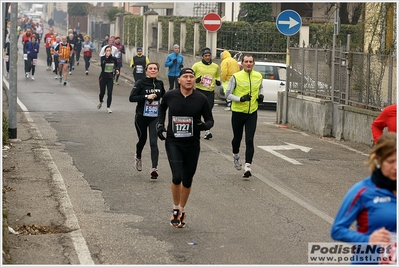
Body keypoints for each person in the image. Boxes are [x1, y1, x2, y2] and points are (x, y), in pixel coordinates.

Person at [157, 68, 214, 228]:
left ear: (194, 80)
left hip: (192, 144)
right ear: (179, 80)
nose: (189, 79)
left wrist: (204, 126)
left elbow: (210, 120)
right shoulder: (170, 95)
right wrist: (160, 125)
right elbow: (162, 109)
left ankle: (182, 209)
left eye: (191, 77)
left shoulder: (201, 98)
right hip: (173, 142)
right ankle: (175, 209)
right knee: (177, 177)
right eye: (185, 77)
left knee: (187, 180)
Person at [330, 132, 396, 264]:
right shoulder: (363, 191)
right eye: (391, 161)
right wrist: (368, 240)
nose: (396, 167)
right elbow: (337, 230)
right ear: (378, 160)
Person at [225, 54, 264, 178]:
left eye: (250, 61)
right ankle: (236, 156)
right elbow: (228, 94)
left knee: (249, 140)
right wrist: (240, 99)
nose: (248, 63)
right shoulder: (236, 77)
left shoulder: (258, 76)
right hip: (238, 112)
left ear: (254, 63)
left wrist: (261, 96)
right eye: (246, 61)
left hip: (252, 112)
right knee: (237, 138)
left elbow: (261, 88)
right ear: (241, 63)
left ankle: (247, 167)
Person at [129, 63, 166, 178]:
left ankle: (154, 168)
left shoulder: (160, 84)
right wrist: (146, 97)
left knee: (153, 142)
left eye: (155, 69)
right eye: (150, 68)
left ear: (158, 71)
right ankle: (138, 156)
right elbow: (131, 98)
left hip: (154, 117)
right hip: (141, 117)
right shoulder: (140, 83)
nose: (153, 70)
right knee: (142, 140)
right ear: (146, 71)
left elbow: (165, 97)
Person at [192, 47, 221, 140]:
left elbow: (217, 76)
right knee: (198, 110)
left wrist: (217, 81)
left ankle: (207, 130)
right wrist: (196, 80)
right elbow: (190, 76)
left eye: (209, 55)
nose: (208, 57)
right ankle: (196, 128)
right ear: (202, 56)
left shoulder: (215, 66)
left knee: (208, 111)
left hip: (210, 91)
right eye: (206, 56)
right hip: (199, 91)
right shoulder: (196, 65)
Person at [97, 45, 119, 113]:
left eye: (109, 50)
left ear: (111, 51)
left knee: (109, 92)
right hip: (103, 77)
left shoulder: (114, 58)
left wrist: (117, 70)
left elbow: (117, 66)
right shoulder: (103, 58)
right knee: (102, 92)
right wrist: (107, 58)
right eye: (107, 51)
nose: (108, 52)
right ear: (105, 52)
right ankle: (101, 101)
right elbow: (102, 65)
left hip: (110, 77)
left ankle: (108, 107)